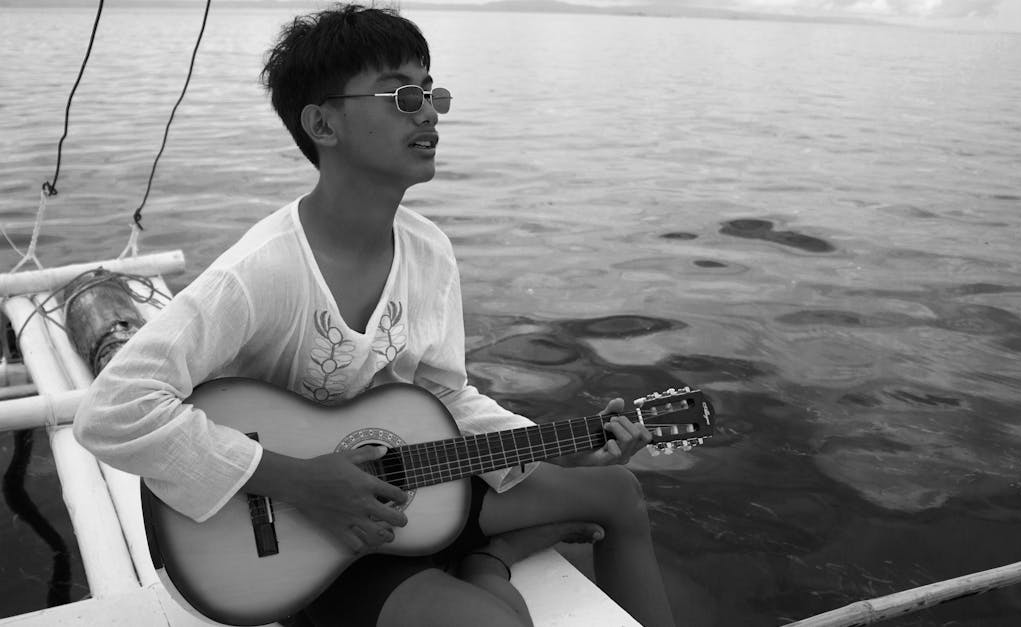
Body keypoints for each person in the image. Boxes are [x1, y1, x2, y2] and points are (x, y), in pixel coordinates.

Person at [73, 5, 675, 627]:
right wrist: (299, 480)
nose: (428, 110)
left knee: (619, 493)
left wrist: (550, 447)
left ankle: (482, 558)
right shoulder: (262, 272)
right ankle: (484, 564)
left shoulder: (429, 250)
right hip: (307, 541)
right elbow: (113, 410)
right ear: (323, 124)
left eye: (431, 90)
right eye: (401, 93)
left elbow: (445, 396)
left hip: (413, 487)